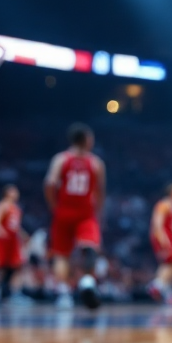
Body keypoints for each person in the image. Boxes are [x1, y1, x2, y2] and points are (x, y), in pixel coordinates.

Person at [45, 123, 106, 309]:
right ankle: (87, 281)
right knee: (91, 248)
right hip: (85, 212)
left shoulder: (61, 159)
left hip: (63, 210)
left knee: (61, 255)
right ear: (87, 139)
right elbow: (100, 192)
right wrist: (98, 213)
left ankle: (64, 295)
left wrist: (54, 205)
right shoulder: (95, 163)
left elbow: (50, 183)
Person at [0, 185, 26, 304]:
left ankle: (6, 290)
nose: (16, 192)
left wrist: (23, 235)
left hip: (13, 240)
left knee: (15, 266)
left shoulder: (16, 208)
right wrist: (0, 231)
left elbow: (16, 226)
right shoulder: (2, 205)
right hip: (4, 239)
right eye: (13, 190)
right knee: (2, 266)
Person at [149, 183, 172, 304]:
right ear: (171, 191)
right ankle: (156, 286)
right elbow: (157, 224)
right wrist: (163, 240)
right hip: (164, 236)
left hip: (170, 236)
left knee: (170, 264)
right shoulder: (164, 204)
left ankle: (166, 292)